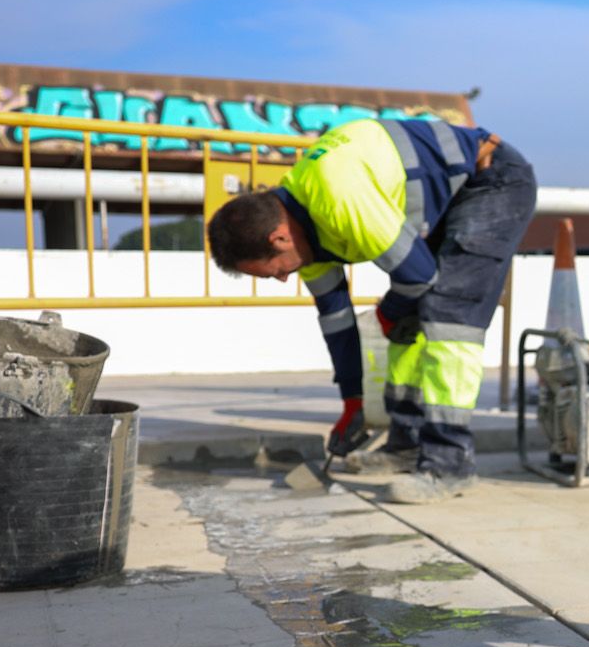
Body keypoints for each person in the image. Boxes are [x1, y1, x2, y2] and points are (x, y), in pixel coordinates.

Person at [207, 116, 537, 503]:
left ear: (279, 238)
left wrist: (387, 312)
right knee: (406, 323)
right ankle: (406, 445)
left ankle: (450, 465)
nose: (281, 279)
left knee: (449, 317)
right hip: (449, 197)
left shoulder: (339, 196)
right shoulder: (298, 226)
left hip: (491, 180)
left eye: (273, 272)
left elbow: (418, 276)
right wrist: (353, 403)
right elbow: (337, 323)